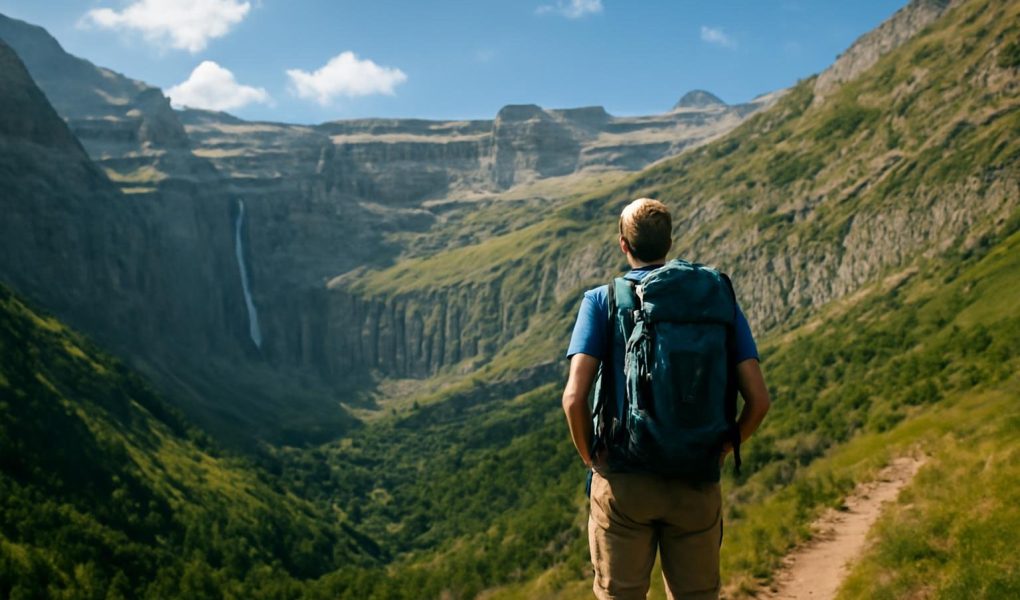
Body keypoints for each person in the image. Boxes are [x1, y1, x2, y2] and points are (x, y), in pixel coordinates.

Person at [561, 198, 771, 599]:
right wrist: (724, 447)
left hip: (625, 480)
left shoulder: (602, 300)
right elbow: (759, 400)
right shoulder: (715, 297)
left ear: (623, 244)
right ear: (669, 242)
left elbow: (574, 399)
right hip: (696, 476)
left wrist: (593, 460)